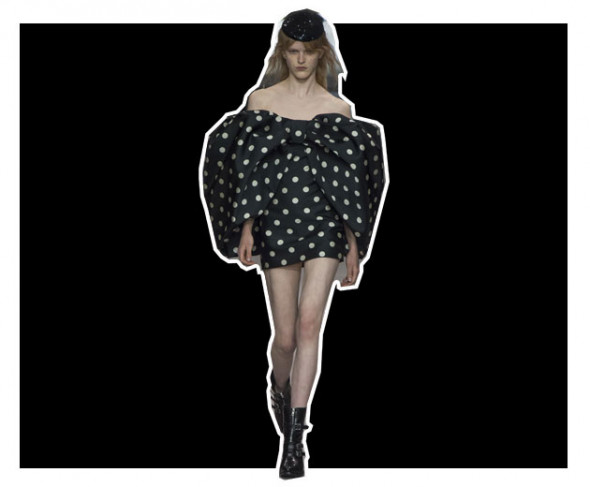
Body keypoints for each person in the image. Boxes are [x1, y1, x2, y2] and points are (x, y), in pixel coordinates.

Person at [200, 9, 388, 479]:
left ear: (322, 53)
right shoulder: (261, 100)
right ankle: (278, 388)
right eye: (293, 50)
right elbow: (247, 168)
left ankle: (296, 439)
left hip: (325, 225)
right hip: (277, 222)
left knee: (309, 327)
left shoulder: (338, 110)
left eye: (308, 51)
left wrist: (353, 245)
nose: (301, 59)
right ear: (282, 53)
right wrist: (246, 226)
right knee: (284, 337)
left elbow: (353, 184)